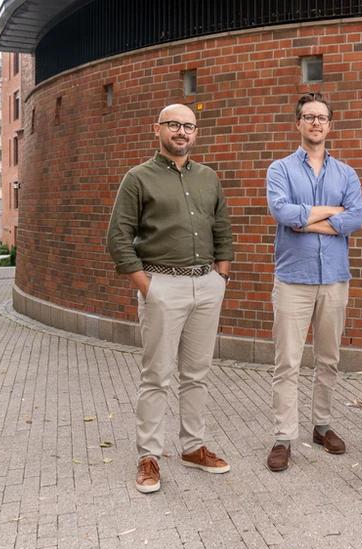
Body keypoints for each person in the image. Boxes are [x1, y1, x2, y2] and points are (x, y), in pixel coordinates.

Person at [106, 103, 234, 494]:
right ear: (157, 129)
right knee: (157, 376)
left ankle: (193, 447)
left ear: (196, 133)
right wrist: (148, 287)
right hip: (162, 285)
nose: (182, 132)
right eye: (174, 125)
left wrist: (221, 277)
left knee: (197, 374)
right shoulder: (137, 178)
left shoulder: (208, 177)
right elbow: (117, 237)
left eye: (189, 126)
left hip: (206, 286)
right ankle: (149, 455)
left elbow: (223, 228)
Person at [265, 92, 362, 471]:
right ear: (299, 123)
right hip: (293, 279)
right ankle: (283, 437)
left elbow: (355, 218)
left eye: (322, 117)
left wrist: (306, 219)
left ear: (330, 124)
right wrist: (330, 216)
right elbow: (282, 211)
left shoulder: (346, 174)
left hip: (335, 280)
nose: (316, 123)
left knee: (328, 359)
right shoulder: (280, 170)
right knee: (286, 362)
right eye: (309, 117)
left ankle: (322, 426)